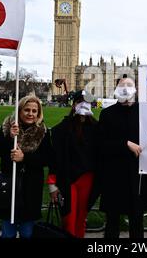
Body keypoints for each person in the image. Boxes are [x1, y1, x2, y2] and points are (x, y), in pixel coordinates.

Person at [97, 74, 147, 238]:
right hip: (114, 174)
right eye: (122, 85)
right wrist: (125, 144)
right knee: (112, 221)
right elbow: (101, 144)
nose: (126, 88)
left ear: (135, 89)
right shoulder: (107, 114)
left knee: (137, 221)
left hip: (138, 174)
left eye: (129, 85)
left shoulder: (145, 112)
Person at [0, 95, 52, 238]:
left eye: (34, 111)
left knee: (27, 232)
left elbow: (48, 159)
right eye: (26, 110)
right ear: (19, 111)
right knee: (8, 233)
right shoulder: (8, 128)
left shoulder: (42, 132)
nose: (30, 114)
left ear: (38, 113)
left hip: (30, 188)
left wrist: (25, 158)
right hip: (9, 187)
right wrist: (9, 137)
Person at [47, 90, 99, 238]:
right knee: (68, 219)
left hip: (87, 179)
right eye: (80, 102)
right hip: (67, 179)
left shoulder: (97, 129)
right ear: (74, 104)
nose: (83, 105)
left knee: (81, 219)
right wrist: (52, 183)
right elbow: (54, 158)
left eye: (87, 102)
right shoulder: (62, 129)